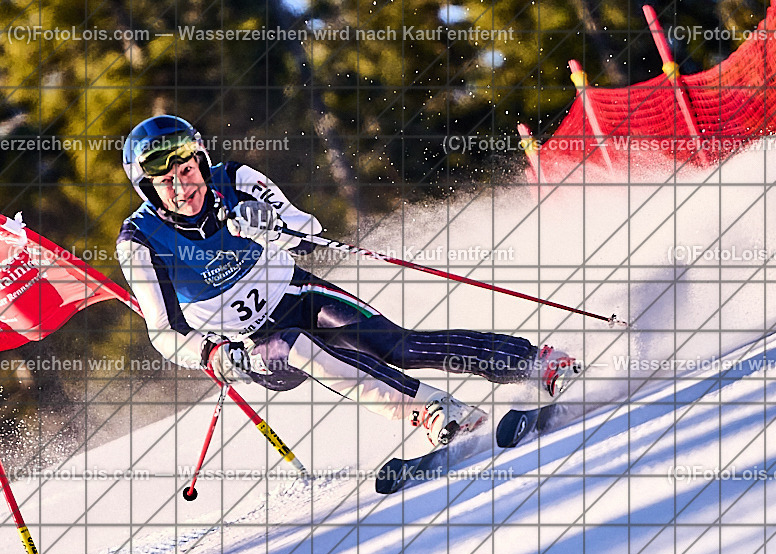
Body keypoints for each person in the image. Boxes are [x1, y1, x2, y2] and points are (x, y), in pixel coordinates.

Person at [116, 115, 581, 447]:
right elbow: (164, 331)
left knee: (396, 346)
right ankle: (432, 408)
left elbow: (310, 232)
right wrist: (213, 355)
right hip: (248, 344)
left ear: (200, 162)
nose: (184, 187)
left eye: (187, 171)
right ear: (148, 190)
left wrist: (271, 227)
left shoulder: (235, 180)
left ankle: (535, 362)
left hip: (295, 293)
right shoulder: (140, 240)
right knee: (295, 346)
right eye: (167, 182)